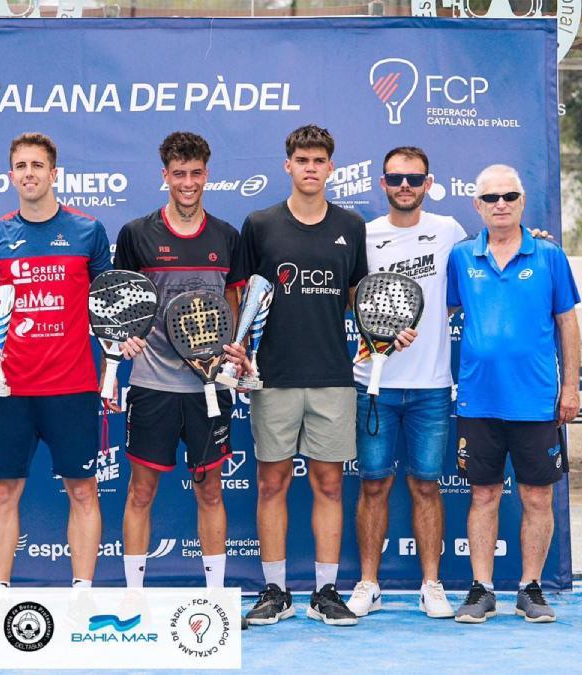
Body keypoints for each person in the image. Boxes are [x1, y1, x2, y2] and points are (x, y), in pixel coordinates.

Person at [226, 124, 409, 628]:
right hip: (273, 376)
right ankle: (275, 591)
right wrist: (240, 350)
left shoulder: (350, 225)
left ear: (331, 168)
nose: (310, 168)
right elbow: (241, 296)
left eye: (319, 161)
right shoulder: (260, 224)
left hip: (332, 374)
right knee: (271, 484)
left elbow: (357, 296)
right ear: (288, 165)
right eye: (302, 160)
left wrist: (384, 332)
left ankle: (325, 591)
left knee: (329, 484)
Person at [0, 132, 113, 635]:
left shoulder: (88, 231)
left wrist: (114, 360)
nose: (29, 173)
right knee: (3, 492)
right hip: (10, 387)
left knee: (83, 491)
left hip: (72, 385)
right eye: (21, 166)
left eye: (37, 165)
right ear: (11, 176)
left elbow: (107, 303)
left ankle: (83, 598)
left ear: (54, 173)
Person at [446, 164, 580, 624]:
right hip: (478, 399)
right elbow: (441, 313)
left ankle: (531, 588)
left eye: (509, 196)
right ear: (477, 205)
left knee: (537, 499)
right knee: (483, 495)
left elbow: (567, 323)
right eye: (490, 198)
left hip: (537, 401)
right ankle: (481, 590)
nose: (500, 204)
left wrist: (570, 386)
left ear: (522, 202)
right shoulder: (461, 257)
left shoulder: (549, 255)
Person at [112, 131, 243, 588]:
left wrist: (236, 350)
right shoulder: (137, 234)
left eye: (196, 173)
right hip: (152, 384)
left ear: (207, 175)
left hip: (210, 387)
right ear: (164, 175)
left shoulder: (227, 236)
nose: (188, 183)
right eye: (179, 174)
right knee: (140, 491)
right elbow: (121, 301)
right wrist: (123, 343)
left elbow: (233, 302)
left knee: (211, 491)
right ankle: (133, 596)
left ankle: (216, 597)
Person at [345, 147, 465, 620]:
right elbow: (350, 297)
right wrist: (379, 330)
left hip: (431, 387)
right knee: (373, 485)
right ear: (383, 183)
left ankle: (431, 585)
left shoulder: (449, 230)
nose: (405, 186)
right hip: (373, 384)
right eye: (396, 178)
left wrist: (530, 238)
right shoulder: (365, 236)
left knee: (427, 486)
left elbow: (483, 266)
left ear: (428, 183)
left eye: (414, 178)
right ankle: (368, 584)